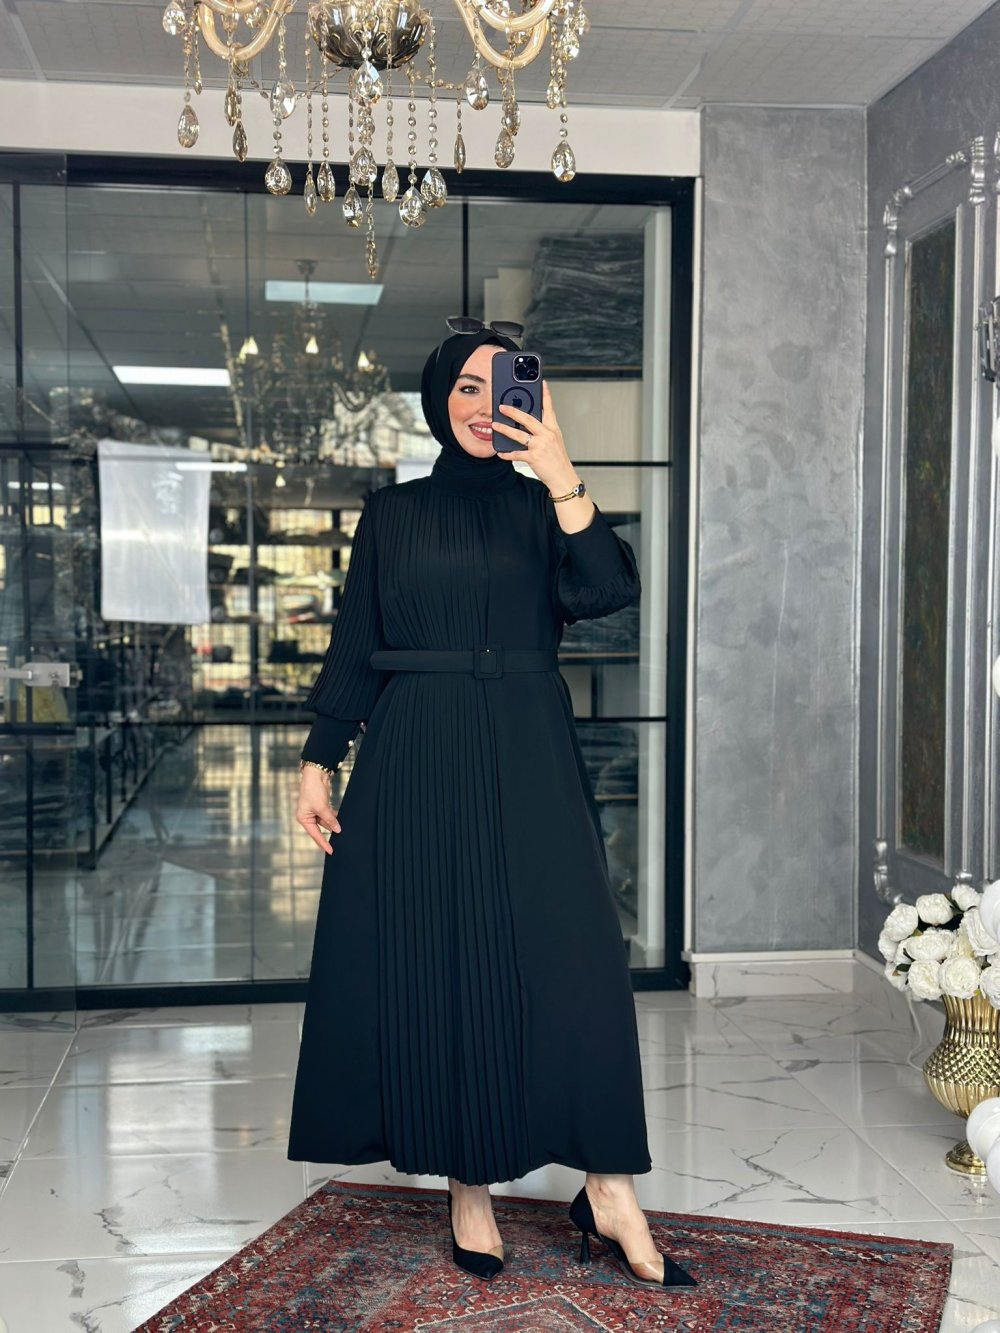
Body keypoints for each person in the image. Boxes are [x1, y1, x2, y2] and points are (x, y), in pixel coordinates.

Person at [286, 325, 695, 1292]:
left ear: (530, 395)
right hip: (415, 750)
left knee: (576, 961)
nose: (482, 403)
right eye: (464, 386)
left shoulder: (545, 502)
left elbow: (609, 590)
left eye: (502, 384)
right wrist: (318, 757)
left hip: (527, 746)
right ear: (439, 400)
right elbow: (355, 640)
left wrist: (558, 469)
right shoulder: (391, 514)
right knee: (441, 960)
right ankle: (467, 1185)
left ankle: (610, 1187)